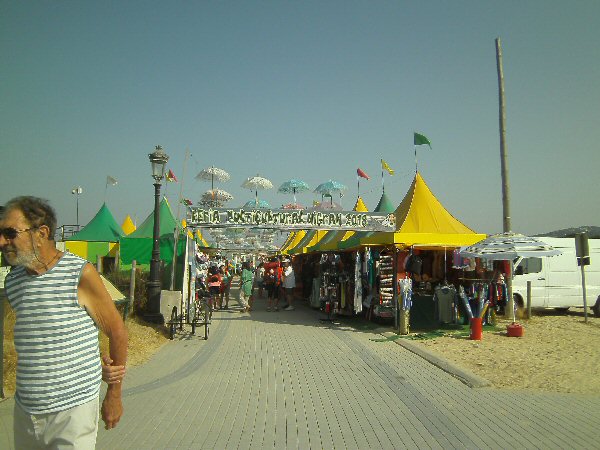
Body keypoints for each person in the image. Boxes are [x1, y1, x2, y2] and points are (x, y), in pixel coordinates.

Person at [0, 196, 128, 449]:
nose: (2, 242)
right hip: (26, 409)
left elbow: (117, 332)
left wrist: (114, 394)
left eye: (10, 233)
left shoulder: (80, 273)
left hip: (73, 411)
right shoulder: (13, 282)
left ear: (42, 232)